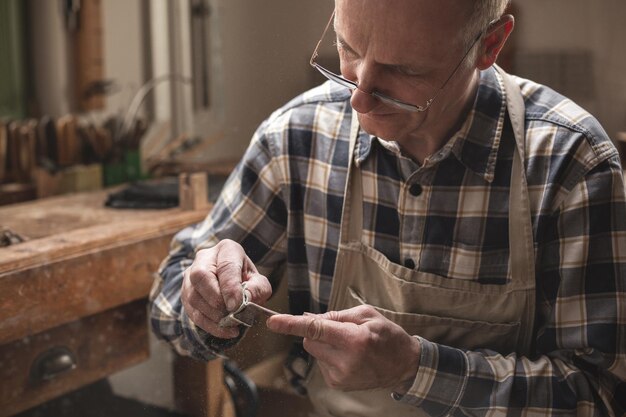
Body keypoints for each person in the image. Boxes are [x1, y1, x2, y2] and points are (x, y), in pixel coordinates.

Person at [149, 0, 626, 415]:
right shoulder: (297, 138)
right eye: (349, 49)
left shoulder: (571, 163)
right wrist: (205, 299)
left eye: (405, 71)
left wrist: (417, 369)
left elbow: (602, 396)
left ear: (490, 44)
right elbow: (167, 300)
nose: (358, 96)